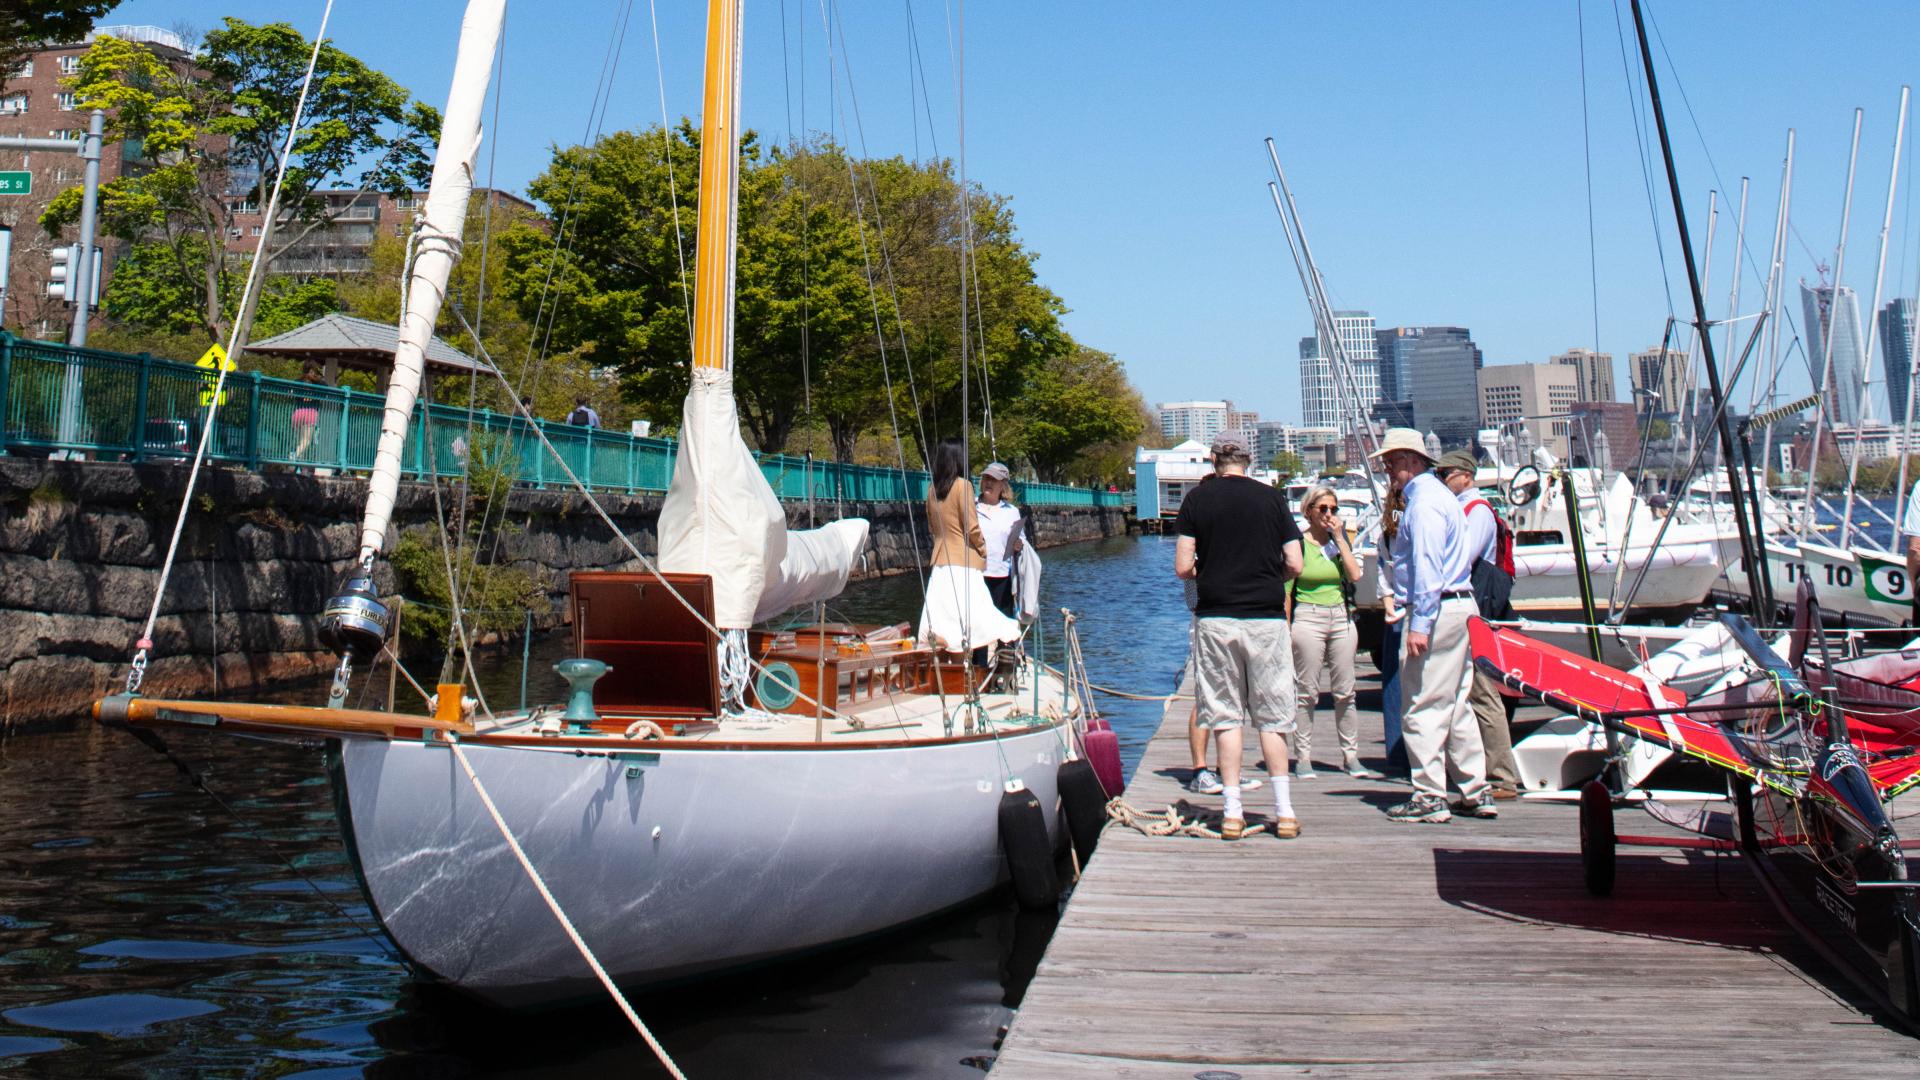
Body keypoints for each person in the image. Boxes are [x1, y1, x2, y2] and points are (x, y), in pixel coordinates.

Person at [1174, 431, 1304, 840]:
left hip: (1217, 618)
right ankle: (1284, 812)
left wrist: (1211, 574)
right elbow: (1296, 563)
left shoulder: (1196, 500)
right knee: (1273, 717)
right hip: (1266, 617)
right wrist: (1268, 577)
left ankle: (1232, 811)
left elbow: (1182, 566)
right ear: (1248, 460)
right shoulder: (1272, 498)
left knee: (1226, 715)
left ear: (1214, 460)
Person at [1371, 428, 1491, 824]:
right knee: (1456, 702)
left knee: (1421, 703)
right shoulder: (1443, 497)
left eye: (1390, 463)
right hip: (1461, 606)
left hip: (1435, 609)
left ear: (1409, 460)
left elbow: (1426, 567)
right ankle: (1476, 789)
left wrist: (1419, 624)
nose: (1388, 471)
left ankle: (1429, 795)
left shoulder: (1422, 505)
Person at [1436, 449, 1519, 799]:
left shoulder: (1478, 510)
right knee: (1467, 691)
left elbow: (1463, 556)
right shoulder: (1460, 509)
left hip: (1477, 610)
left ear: (1465, 475)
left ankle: (1502, 776)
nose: (1441, 480)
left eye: (1447, 473)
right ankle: (1476, 770)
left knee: (1482, 692)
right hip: (1467, 609)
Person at [1287, 485, 1380, 780]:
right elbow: (1287, 590)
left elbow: (1354, 575)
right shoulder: (1298, 544)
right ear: (1309, 511)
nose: (1329, 514)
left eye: (1333, 509)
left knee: (1345, 691)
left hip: (1340, 615)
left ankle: (1350, 755)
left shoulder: (1338, 543)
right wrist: (1285, 628)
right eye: (1323, 509)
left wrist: (1340, 539)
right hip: (1308, 617)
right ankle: (1303, 756)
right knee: (1307, 692)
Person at [918, 438, 1022, 666]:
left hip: (940, 561)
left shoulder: (932, 489)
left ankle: (950, 669)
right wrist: (983, 548)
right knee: (977, 617)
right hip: (963, 562)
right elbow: (971, 526)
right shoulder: (963, 486)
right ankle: (985, 668)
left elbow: (931, 526)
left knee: (945, 619)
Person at [976, 462, 1024, 619]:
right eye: (986, 478)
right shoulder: (971, 507)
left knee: (1003, 623)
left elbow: (1021, 540)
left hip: (1002, 575)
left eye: (994, 479)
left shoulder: (1012, 512)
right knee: (979, 624)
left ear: (1003, 484)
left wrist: (1019, 545)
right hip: (976, 574)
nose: (988, 482)